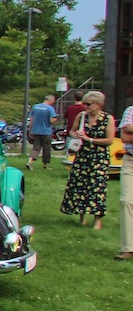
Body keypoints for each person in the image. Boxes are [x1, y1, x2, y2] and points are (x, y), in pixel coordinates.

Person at [60, 90, 114, 229]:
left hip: (99, 158)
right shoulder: (82, 116)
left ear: (98, 104)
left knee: (97, 188)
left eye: (88, 104)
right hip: (82, 156)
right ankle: (82, 216)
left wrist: (89, 139)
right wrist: (76, 134)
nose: (85, 106)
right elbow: (71, 131)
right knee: (80, 186)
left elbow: (109, 140)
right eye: (84, 103)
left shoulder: (108, 119)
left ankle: (97, 219)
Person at [118, 102, 133, 260]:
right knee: (126, 201)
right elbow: (125, 137)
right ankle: (128, 248)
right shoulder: (130, 110)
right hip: (130, 162)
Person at [27, 94, 58, 170]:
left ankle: (29, 162)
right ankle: (45, 165)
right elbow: (51, 120)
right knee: (46, 148)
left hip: (36, 130)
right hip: (46, 131)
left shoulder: (35, 107)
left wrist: (30, 130)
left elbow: (31, 119)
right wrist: (55, 120)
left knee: (36, 147)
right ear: (50, 100)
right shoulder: (50, 108)